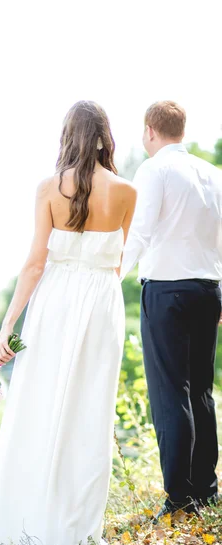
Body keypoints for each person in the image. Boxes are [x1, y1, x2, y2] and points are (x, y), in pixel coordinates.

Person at [0, 100, 136, 545]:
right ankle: (77, 530)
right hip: (101, 303)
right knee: (90, 412)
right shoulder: (128, 191)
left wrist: (8, 325)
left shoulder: (48, 189)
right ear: (105, 137)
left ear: (68, 136)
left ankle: (28, 519)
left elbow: (35, 263)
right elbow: (118, 263)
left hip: (54, 300)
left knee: (40, 402)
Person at [121, 101, 222, 520]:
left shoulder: (154, 170)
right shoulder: (212, 173)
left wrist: (112, 277)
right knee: (200, 389)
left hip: (166, 292)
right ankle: (206, 489)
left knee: (169, 393)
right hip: (208, 290)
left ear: (150, 131)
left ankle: (179, 497)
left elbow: (141, 231)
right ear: (180, 129)